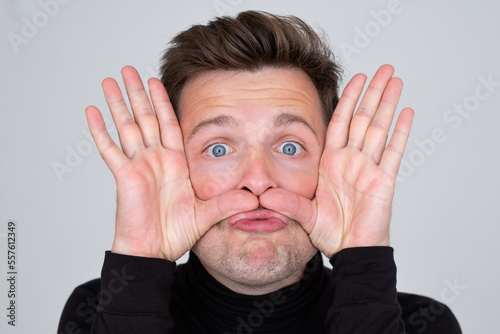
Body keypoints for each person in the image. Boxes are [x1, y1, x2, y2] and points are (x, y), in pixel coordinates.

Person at [58, 10, 461, 333]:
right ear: (173, 164)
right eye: (218, 148)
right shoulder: (100, 311)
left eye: (290, 146)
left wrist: (364, 261)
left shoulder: (420, 324)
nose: (257, 179)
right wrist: (140, 263)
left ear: (333, 164)